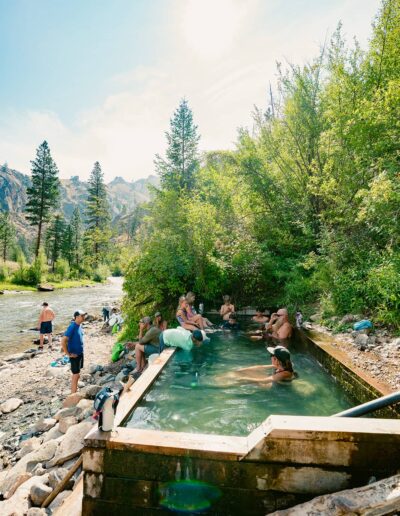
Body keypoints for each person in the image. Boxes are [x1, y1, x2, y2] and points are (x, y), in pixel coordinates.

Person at [216, 345, 295, 386]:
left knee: (248, 381)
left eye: (271, 356)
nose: (270, 358)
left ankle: (224, 384)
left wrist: (242, 378)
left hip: (275, 388)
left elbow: (264, 381)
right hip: (273, 385)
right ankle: (225, 379)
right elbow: (260, 367)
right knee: (241, 374)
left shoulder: (285, 373)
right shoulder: (282, 365)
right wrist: (243, 370)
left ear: (276, 360)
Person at [61, 310, 86, 394]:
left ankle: (75, 390)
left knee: (77, 373)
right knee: (75, 375)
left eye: (84, 316)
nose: (84, 317)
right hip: (74, 355)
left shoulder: (79, 325)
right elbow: (63, 341)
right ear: (77, 317)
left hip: (80, 354)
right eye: (82, 316)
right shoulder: (72, 326)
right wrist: (68, 354)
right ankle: (73, 394)